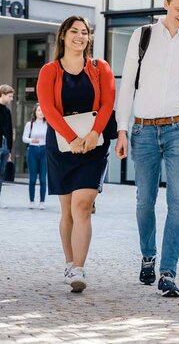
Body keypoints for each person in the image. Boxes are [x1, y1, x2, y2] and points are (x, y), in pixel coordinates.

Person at [115, 0, 179, 298]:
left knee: (177, 201)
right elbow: (127, 85)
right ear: (166, 4)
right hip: (143, 129)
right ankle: (148, 255)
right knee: (145, 201)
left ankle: (168, 272)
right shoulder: (143, 36)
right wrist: (122, 129)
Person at [37, 15, 115, 293]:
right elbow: (48, 109)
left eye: (84, 32)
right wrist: (71, 138)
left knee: (82, 205)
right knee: (67, 209)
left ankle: (79, 268)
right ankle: (69, 263)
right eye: (74, 31)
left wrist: (93, 134)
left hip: (94, 145)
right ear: (63, 35)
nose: (80, 36)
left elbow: (107, 103)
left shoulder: (100, 67)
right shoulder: (49, 70)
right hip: (61, 146)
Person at [23, 103, 49, 209]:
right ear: (35, 112)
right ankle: (31, 201)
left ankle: (42, 201)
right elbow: (24, 138)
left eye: (42, 110)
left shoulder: (48, 124)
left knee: (43, 179)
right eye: (38, 110)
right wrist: (31, 140)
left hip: (44, 150)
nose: (40, 112)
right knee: (32, 178)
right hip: (33, 150)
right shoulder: (30, 124)